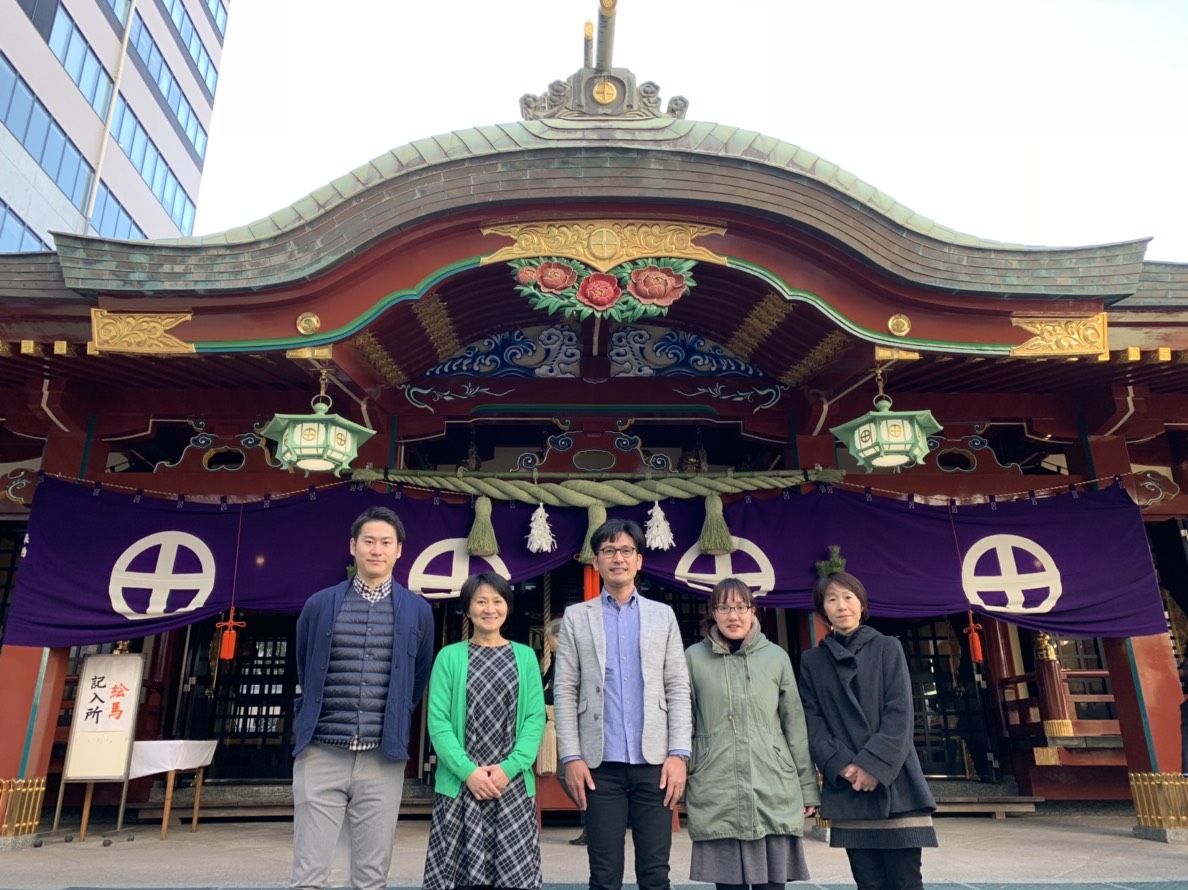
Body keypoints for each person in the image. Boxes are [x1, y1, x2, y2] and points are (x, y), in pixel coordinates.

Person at [290, 506, 434, 890]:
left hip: (381, 756)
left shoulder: (418, 611)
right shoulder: (320, 604)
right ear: (352, 546)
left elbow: (418, 676)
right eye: (368, 541)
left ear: (399, 550)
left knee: (371, 876)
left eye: (386, 542)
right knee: (309, 873)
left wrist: (398, 716)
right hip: (321, 750)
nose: (376, 549)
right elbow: (305, 664)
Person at [554, 518, 692, 890]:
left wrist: (679, 754)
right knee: (603, 874)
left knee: (655, 874)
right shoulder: (576, 617)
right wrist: (571, 756)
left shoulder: (662, 616)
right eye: (609, 551)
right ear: (596, 561)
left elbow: (678, 686)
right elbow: (565, 689)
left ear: (639, 561)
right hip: (600, 764)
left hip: (656, 763)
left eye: (626, 550)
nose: (618, 558)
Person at [798, 570, 937, 890]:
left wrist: (872, 765)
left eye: (848, 597)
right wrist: (844, 766)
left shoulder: (888, 647)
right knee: (868, 881)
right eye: (831, 599)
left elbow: (900, 713)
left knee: (906, 880)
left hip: (895, 782)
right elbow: (812, 720)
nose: (841, 605)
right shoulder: (812, 661)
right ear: (823, 609)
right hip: (850, 790)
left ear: (861, 604)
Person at [685, 578, 820, 890]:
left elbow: (795, 726)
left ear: (753, 610)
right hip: (718, 786)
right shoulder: (693, 657)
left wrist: (808, 788)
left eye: (741, 607)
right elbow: (685, 722)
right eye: (724, 607)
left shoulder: (775, 657)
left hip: (772, 784)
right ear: (713, 613)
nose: (734, 616)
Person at [422, 572, 546, 890]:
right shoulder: (449, 657)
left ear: (507, 606)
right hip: (462, 785)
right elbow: (438, 723)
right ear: (467, 608)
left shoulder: (526, 656)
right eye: (480, 602)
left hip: (512, 785)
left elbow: (535, 719)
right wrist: (469, 773)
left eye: (497, 601)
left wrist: (508, 768)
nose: (489, 609)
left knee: (514, 877)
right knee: (460, 879)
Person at [539, 616, 587, 845]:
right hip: (572, 722)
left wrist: (536, 696)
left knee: (565, 772)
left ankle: (591, 819)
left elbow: (560, 692)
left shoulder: (572, 658)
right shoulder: (561, 658)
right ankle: (590, 820)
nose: (551, 644)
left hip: (579, 723)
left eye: (551, 639)